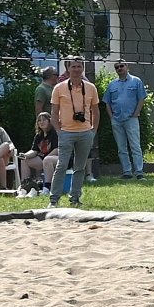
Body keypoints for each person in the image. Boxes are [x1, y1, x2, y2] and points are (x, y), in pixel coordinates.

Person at [50, 56, 100, 207]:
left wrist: (93, 130)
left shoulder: (90, 87)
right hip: (66, 132)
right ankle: (54, 199)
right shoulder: (59, 88)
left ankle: (75, 198)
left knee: (80, 167)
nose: (77, 69)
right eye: (73, 67)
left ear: (83, 68)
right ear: (68, 68)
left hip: (85, 132)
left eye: (79, 66)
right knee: (62, 165)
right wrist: (59, 131)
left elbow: (96, 111)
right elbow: (54, 112)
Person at [105, 58, 149, 180]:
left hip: (131, 119)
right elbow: (107, 102)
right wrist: (111, 117)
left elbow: (141, 98)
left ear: (127, 66)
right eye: (117, 67)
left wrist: (136, 114)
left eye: (121, 66)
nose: (119, 68)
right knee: (121, 148)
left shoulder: (136, 81)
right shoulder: (112, 84)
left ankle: (139, 172)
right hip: (117, 120)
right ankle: (127, 172)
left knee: (135, 146)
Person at [19, 110, 59, 193]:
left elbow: (57, 149)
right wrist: (25, 155)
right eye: (39, 120)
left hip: (57, 158)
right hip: (44, 159)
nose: (41, 122)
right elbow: (34, 150)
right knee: (24, 160)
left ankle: (47, 188)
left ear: (49, 121)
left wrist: (46, 158)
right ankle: (25, 186)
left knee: (47, 160)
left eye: (44, 120)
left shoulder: (54, 133)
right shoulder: (38, 136)